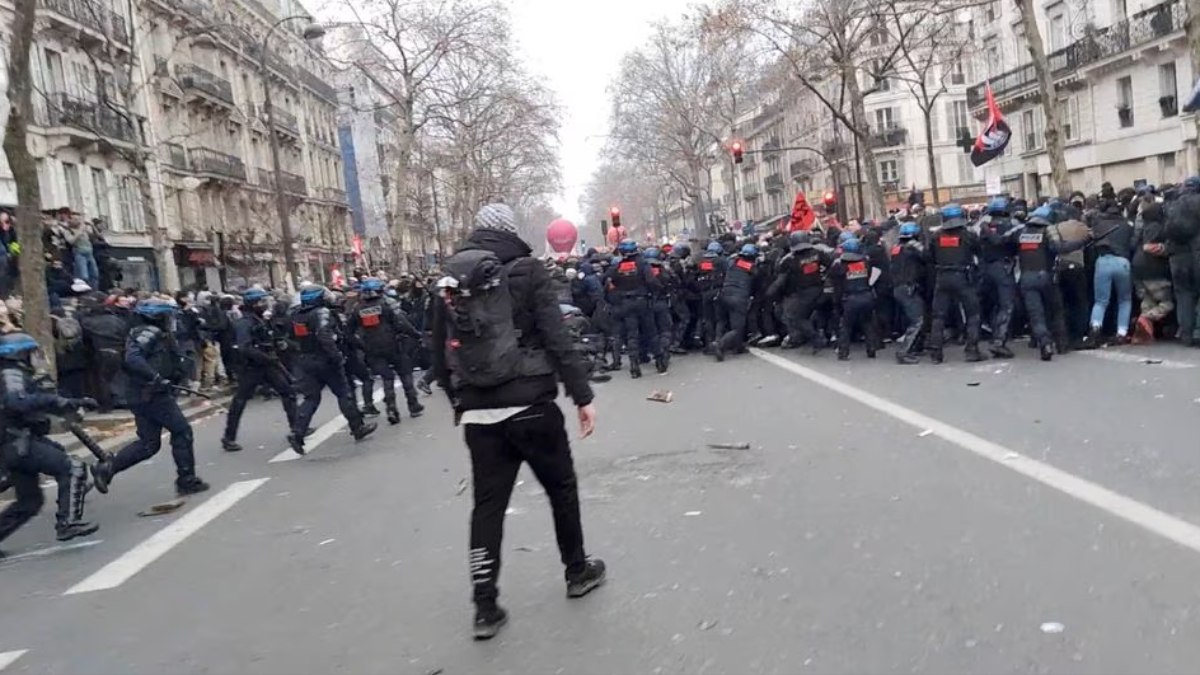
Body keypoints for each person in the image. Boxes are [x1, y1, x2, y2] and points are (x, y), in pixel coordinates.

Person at [431, 202, 604, 641]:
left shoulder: (452, 277)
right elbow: (556, 336)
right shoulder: (529, 270)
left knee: (487, 507)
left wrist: (462, 398)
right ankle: (577, 570)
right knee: (561, 489)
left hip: (479, 414)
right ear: (511, 232)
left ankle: (485, 606)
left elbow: (435, 352)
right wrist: (581, 395)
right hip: (532, 406)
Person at [91, 297, 210, 496]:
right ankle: (186, 480)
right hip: (151, 393)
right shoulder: (148, 332)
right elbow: (133, 358)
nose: (171, 319)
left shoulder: (154, 333)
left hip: (145, 393)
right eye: (167, 315)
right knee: (182, 431)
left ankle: (109, 468)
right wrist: (155, 377)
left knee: (149, 444)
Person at [0, 333, 99, 553]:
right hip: (17, 442)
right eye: (32, 352)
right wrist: (56, 401)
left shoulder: (14, 373)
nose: (35, 357)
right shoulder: (10, 373)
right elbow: (17, 402)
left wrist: (74, 402)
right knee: (72, 467)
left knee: (29, 502)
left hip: (16, 443)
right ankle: (68, 522)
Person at [287, 285, 376, 456]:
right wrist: (336, 356)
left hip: (305, 360)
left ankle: (297, 433)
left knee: (311, 398)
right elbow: (324, 335)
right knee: (344, 393)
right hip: (325, 360)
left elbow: (291, 338)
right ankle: (357, 427)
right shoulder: (321, 313)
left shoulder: (296, 315)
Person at [221, 289, 298, 452]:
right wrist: (265, 357)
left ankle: (297, 428)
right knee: (240, 401)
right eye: (261, 302)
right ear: (253, 303)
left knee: (288, 392)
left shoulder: (258, 320)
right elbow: (244, 347)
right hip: (251, 367)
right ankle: (229, 437)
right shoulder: (245, 323)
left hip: (266, 364)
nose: (264, 305)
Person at [349, 278, 424, 425]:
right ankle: (413, 405)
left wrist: (361, 345)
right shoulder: (387, 303)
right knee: (405, 374)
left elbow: (348, 331)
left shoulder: (358, 308)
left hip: (372, 349)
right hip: (395, 345)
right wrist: (417, 335)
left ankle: (391, 408)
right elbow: (402, 323)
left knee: (387, 378)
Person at [925, 203, 985, 363]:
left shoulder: (936, 236)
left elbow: (928, 257)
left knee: (938, 316)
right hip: (963, 277)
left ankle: (936, 353)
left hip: (942, 277)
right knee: (973, 313)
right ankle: (972, 350)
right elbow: (980, 253)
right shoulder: (968, 235)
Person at [604, 238, 662, 378]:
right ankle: (660, 362)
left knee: (632, 335)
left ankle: (634, 366)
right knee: (651, 332)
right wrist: (656, 291)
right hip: (642, 301)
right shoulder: (642, 263)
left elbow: (607, 280)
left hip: (626, 303)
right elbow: (651, 281)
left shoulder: (618, 266)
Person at [1089, 199, 1136, 344]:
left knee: (1101, 301)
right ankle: (1122, 332)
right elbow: (1133, 243)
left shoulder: (1098, 223)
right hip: (1123, 262)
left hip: (1103, 261)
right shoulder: (1127, 224)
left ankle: (1096, 327)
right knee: (1125, 300)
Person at [771, 231, 828, 350]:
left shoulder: (788, 260)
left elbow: (781, 280)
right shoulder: (818, 253)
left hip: (803, 293)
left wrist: (771, 292)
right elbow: (830, 266)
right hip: (819, 289)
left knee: (795, 317)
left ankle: (816, 338)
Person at [978, 198, 1019, 358]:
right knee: (1006, 305)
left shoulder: (984, 227)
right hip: (1003, 268)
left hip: (986, 269)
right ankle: (998, 341)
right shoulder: (1011, 225)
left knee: (989, 304)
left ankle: (980, 338)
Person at [829, 236, 877, 360]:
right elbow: (871, 275)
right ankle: (871, 349)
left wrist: (837, 303)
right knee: (868, 323)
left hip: (850, 298)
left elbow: (836, 285)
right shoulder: (866, 262)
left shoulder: (839, 265)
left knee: (846, 326)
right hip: (867, 295)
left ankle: (843, 352)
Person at [1131, 202, 1173, 343]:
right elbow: (1150, 247)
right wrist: (1168, 249)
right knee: (1167, 302)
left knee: (1148, 300)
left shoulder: (1143, 228)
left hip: (1137, 267)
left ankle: (1143, 333)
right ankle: (1146, 318)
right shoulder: (1159, 228)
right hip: (1154, 269)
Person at [712, 243, 760, 362]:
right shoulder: (751, 268)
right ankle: (721, 345)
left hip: (724, 295)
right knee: (737, 327)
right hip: (739, 298)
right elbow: (757, 280)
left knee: (723, 322)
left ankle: (737, 346)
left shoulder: (732, 262)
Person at [891, 222, 927, 364]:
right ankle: (904, 352)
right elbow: (927, 256)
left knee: (915, 317)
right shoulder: (911, 248)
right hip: (908, 288)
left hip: (899, 288)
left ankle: (916, 347)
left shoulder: (896, 249)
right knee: (918, 320)